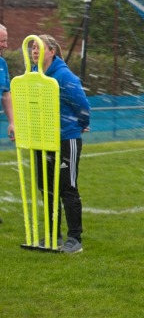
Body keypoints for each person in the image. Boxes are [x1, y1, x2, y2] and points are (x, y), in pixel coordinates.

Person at [31, 35, 91, 253]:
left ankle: (75, 239)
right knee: (46, 189)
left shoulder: (64, 76)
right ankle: (52, 236)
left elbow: (83, 105)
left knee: (68, 187)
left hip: (66, 139)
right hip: (43, 140)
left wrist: (81, 124)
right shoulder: (34, 76)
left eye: (38, 48)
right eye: (31, 48)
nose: (34, 51)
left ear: (52, 51)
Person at [0, 24, 15, 224]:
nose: (5, 44)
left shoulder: (2, 63)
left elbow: (6, 93)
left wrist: (13, 121)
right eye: (2, 40)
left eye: (5, 40)